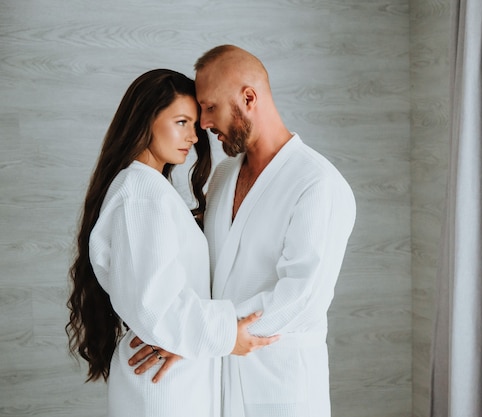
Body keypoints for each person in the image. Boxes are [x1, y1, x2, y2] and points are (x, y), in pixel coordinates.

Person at [134, 45, 357, 417]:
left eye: (209, 107)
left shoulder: (317, 184)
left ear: (248, 98)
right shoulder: (223, 176)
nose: (203, 124)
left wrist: (201, 335)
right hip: (217, 379)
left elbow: (301, 298)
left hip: (279, 385)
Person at [65, 68, 277, 417]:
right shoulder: (142, 193)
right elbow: (155, 306)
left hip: (175, 373)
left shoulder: (150, 189)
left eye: (194, 125)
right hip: (164, 387)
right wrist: (227, 334)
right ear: (146, 120)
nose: (193, 137)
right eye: (181, 122)